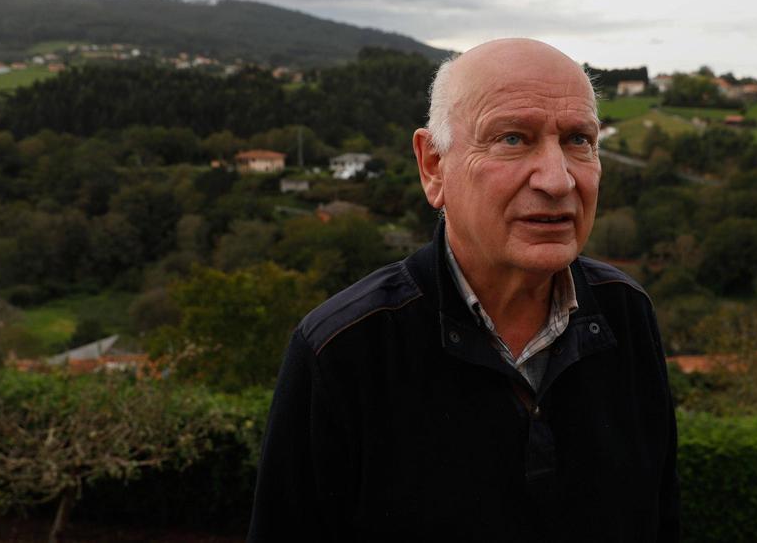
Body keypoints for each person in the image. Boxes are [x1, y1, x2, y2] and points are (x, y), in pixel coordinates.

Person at [247, 38, 678, 542]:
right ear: (433, 165)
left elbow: (658, 520)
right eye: (512, 139)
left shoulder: (626, 312)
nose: (558, 180)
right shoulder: (344, 348)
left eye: (578, 140)